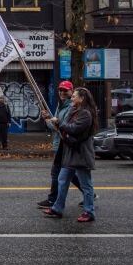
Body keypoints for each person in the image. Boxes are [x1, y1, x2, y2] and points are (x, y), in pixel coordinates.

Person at [42, 87, 98, 222]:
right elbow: (64, 126)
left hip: (81, 154)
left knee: (86, 184)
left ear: (82, 99)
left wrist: (59, 122)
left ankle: (89, 212)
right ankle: (57, 208)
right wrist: (52, 121)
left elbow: (73, 129)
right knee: (62, 180)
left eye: (74, 96)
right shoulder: (73, 110)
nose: (71, 98)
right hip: (71, 153)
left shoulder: (86, 113)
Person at [37, 81, 85, 209]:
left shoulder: (70, 107)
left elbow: (61, 127)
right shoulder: (62, 105)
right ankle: (89, 194)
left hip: (65, 144)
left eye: (65, 90)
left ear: (71, 92)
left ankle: (53, 200)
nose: (62, 93)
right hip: (61, 143)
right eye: (60, 90)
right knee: (69, 173)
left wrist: (52, 121)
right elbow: (55, 126)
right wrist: (48, 118)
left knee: (57, 172)